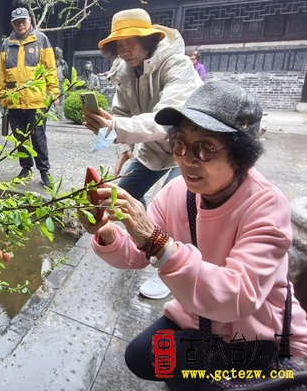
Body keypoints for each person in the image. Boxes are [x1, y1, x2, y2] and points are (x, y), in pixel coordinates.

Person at [81, 82, 307, 390]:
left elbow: (237, 297)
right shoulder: (178, 192)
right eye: (181, 144)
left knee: (184, 373)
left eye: (206, 148)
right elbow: (137, 254)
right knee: (141, 356)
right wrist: (106, 229)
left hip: (258, 335)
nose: (188, 159)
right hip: (199, 317)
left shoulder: (266, 204)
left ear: (242, 156)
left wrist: (157, 241)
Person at [83, 8, 203, 299]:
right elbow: (122, 113)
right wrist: (124, 147)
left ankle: (172, 269)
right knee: (120, 196)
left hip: (187, 147)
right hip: (151, 147)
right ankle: (144, 239)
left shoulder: (176, 64)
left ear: (148, 41)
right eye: (119, 45)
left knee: (184, 209)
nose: (124, 50)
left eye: (131, 42)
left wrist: (114, 128)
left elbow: (166, 119)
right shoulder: (124, 72)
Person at [0, 7, 60, 188]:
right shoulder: (6, 44)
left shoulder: (41, 39)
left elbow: (50, 68)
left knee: (38, 138)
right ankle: (25, 168)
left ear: (30, 21)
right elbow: (2, 74)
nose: (21, 25)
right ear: (12, 24)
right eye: (17, 22)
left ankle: (44, 171)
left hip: (36, 100)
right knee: (20, 138)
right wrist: (2, 95)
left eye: (23, 21)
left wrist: (54, 91)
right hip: (14, 101)